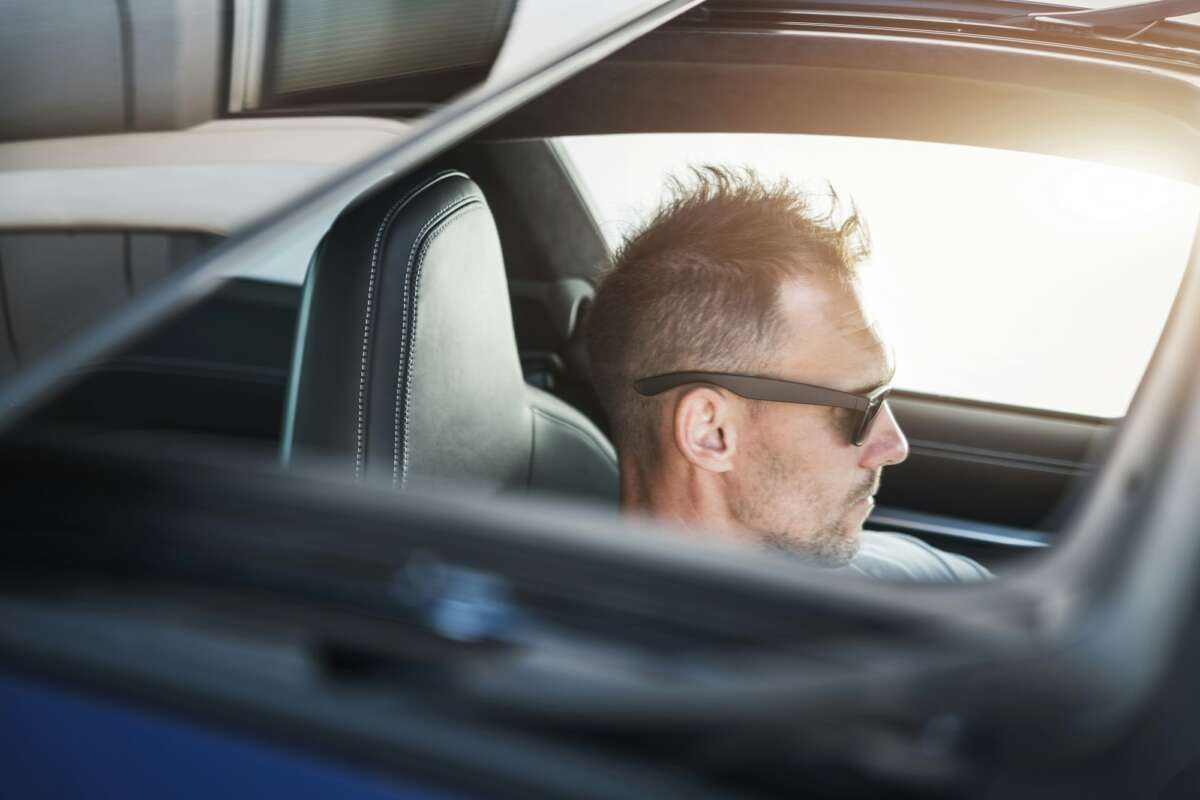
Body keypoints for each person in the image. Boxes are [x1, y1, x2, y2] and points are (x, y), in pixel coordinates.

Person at [585, 166, 990, 582]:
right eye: (857, 409)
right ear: (710, 431)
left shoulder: (931, 579)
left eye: (882, 399)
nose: (894, 446)